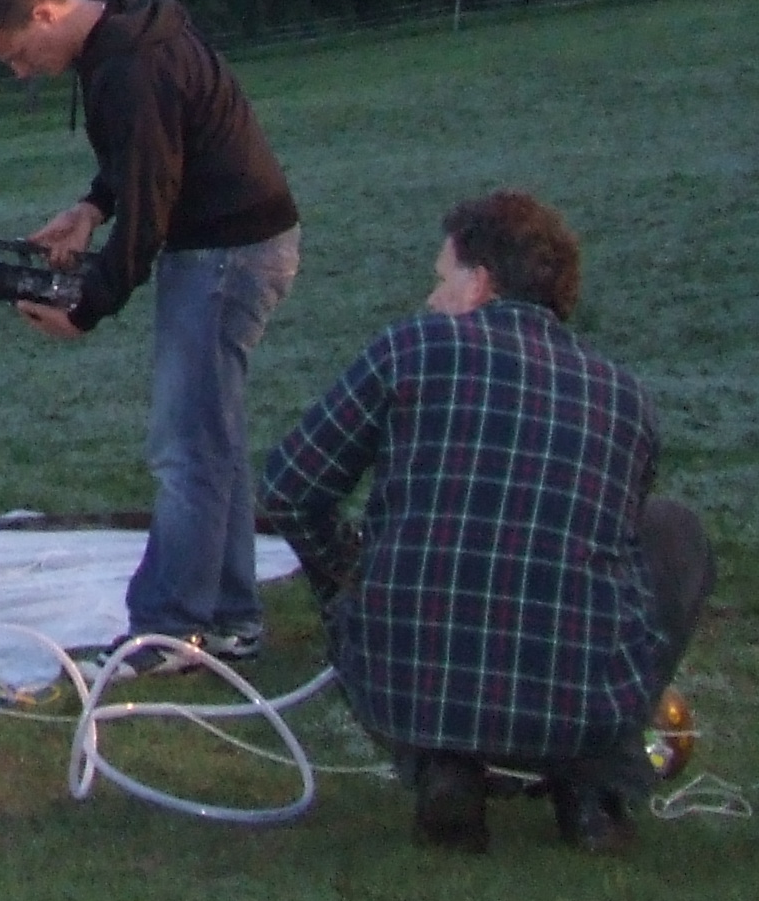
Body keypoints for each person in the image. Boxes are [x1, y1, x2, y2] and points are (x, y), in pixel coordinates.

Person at [261, 192, 713, 855]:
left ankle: (443, 765)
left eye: (440, 279)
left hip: (405, 683)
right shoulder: (625, 396)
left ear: (478, 283)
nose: (430, 298)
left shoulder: (410, 349)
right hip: (580, 696)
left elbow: (289, 490)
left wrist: (348, 574)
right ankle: (593, 788)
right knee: (673, 532)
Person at [0, 0, 299, 666]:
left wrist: (88, 308)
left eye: (22, 55)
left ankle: (170, 629)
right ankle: (232, 615)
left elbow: (152, 198)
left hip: (226, 253)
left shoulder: (131, 63)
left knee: (186, 450)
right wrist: (92, 207)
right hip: (232, 243)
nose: (25, 74)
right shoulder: (122, 29)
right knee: (213, 442)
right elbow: (141, 156)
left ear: (46, 14)